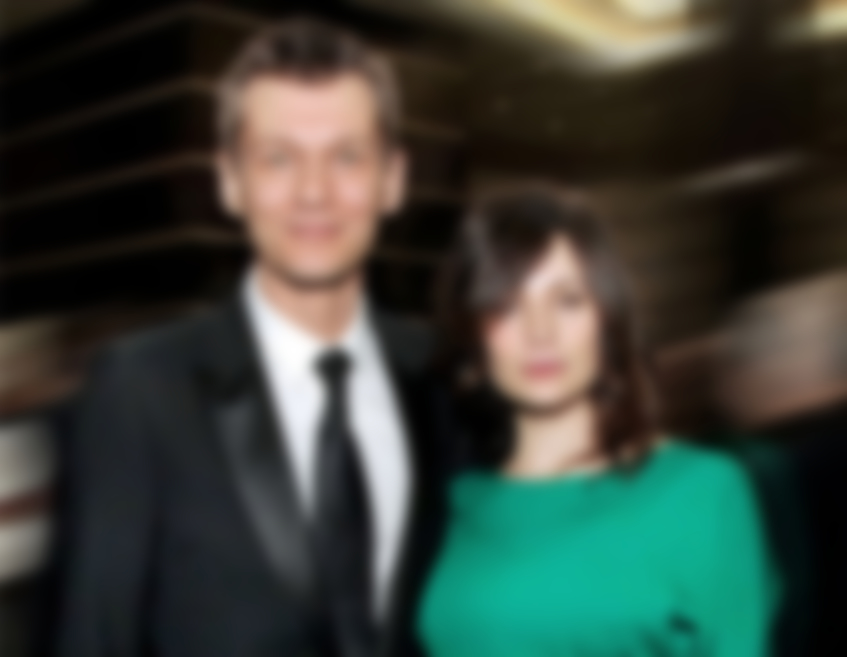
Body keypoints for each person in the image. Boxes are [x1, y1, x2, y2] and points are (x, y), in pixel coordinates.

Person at [47, 18, 454, 657]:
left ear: (393, 179)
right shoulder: (140, 391)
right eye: (278, 159)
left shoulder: (440, 375)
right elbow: (92, 638)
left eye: (347, 157)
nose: (314, 192)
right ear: (231, 181)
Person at [418, 185, 780, 657]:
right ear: (475, 337)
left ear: (606, 322)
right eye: (506, 305)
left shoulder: (701, 492)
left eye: (568, 300)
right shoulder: (452, 505)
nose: (541, 331)